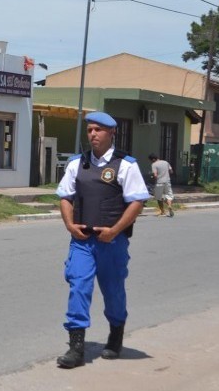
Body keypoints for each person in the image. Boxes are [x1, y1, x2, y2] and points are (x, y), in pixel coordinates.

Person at [54, 111, 150, 368]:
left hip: (111, 241)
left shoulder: (126, 165)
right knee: (78, 286)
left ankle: (116, 334)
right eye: (89, 130)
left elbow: (137, 202)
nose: (93, 134)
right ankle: (76, 348)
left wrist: (115, 230)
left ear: (111, 133)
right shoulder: (78, 163)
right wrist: (69, 225)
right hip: (82, 239)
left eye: (98, 130)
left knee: (113, 290)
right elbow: (65, 196)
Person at [149, 153, 175, 217]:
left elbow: (155, 175)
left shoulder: (154, 164)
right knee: (169, 196)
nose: (151, 161)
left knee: (159, 197)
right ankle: (169, 206)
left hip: (159, 182)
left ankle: (162, 211)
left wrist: (153, 177)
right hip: (167, 182)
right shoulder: (166, 162)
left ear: (153, 159)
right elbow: (171, 171)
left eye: (151, 160)